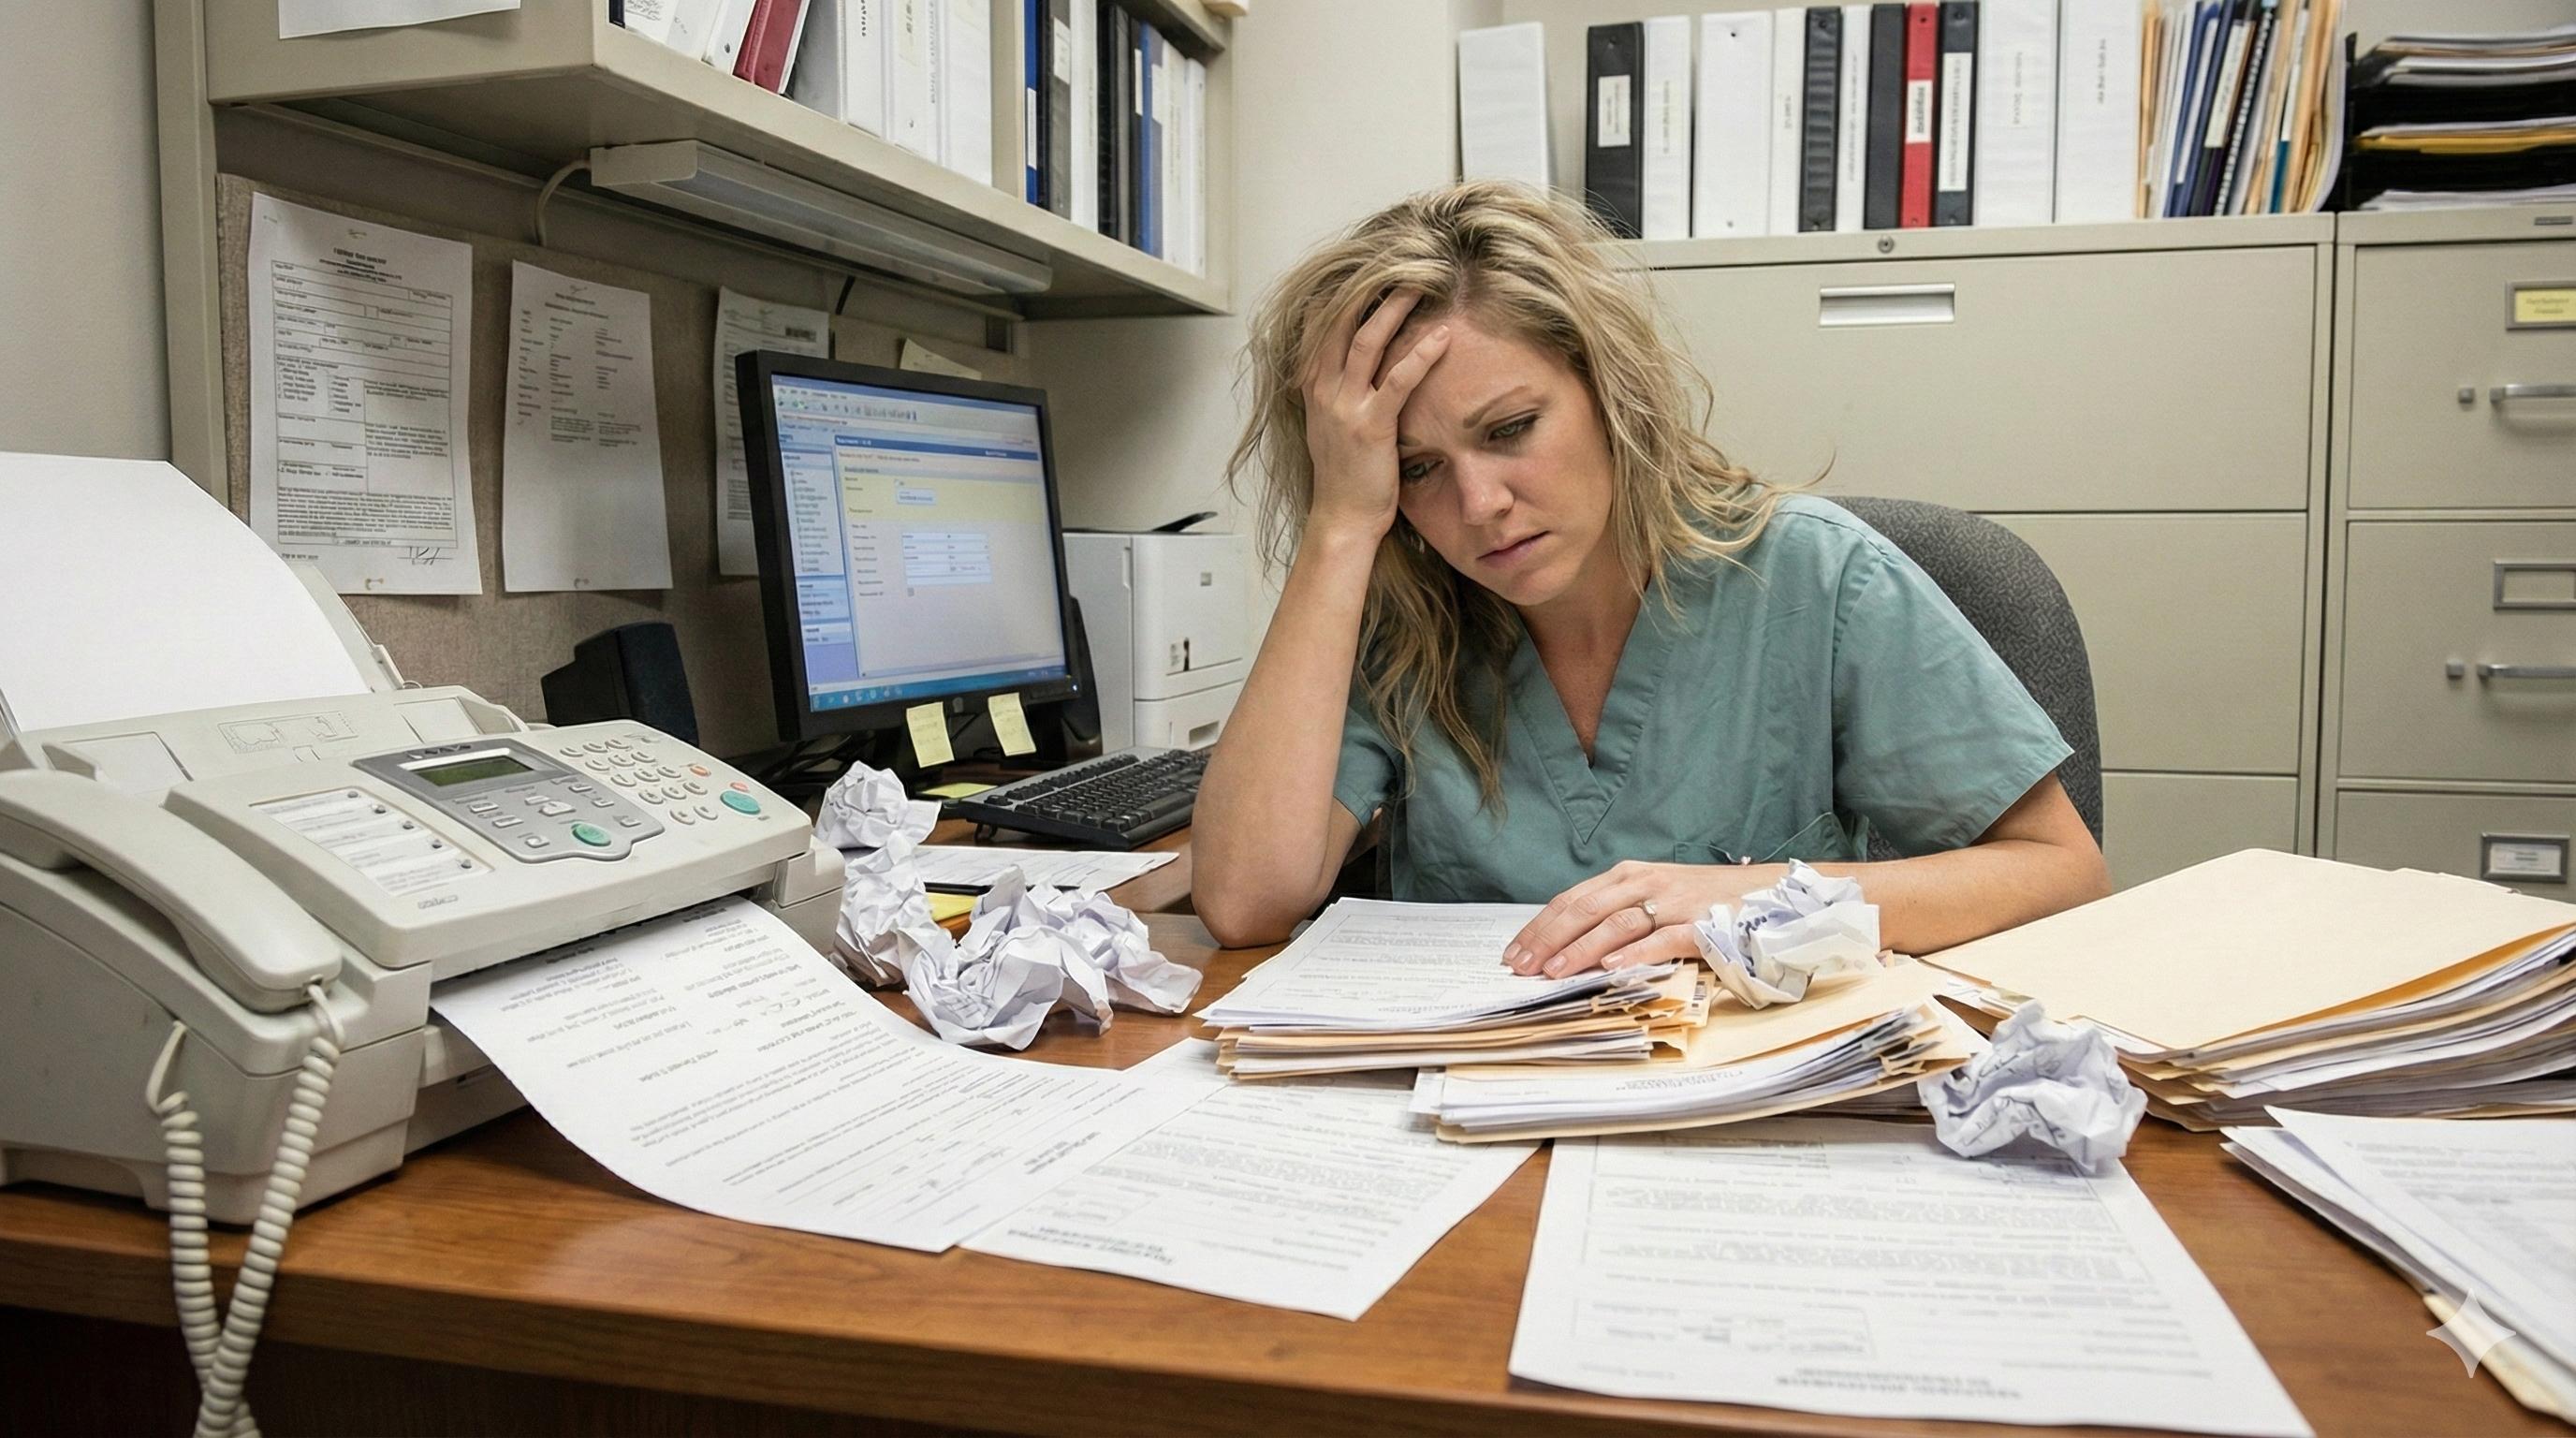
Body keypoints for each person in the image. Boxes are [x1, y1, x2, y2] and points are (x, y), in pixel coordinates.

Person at [1190, 180, 2108, 975]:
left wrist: (1748, 898)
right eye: (1417, 467)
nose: (1479, 505)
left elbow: (2060, 872)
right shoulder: (1402, 612)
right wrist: (1342, 522)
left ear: (1606, 390)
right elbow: (1242, 903)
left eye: (1509, 429)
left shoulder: (1816, 578)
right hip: (1475, 1110)